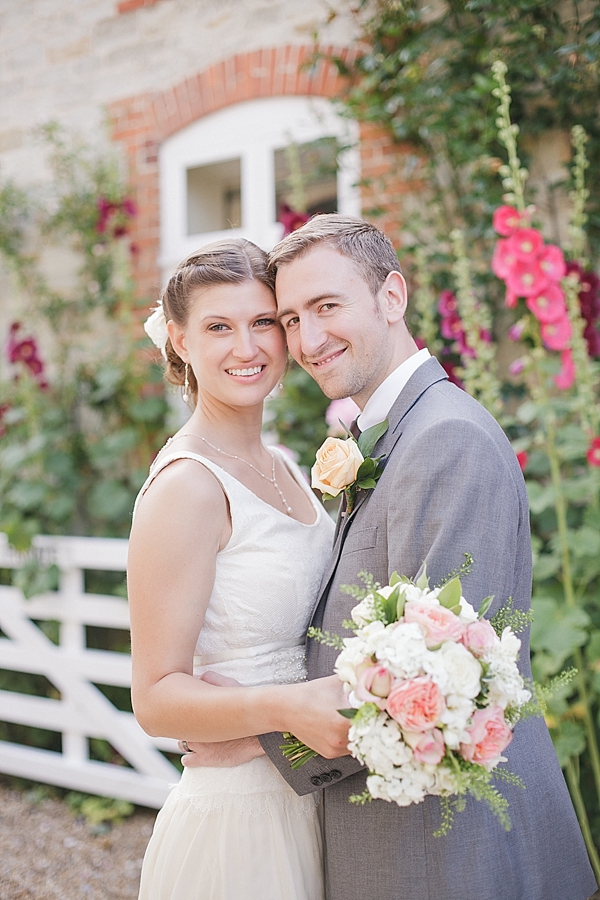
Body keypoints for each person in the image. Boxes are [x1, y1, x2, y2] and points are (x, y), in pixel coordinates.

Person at [184, 215, 597, 900]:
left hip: (454, 857)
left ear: (393, 296)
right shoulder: (389, 434)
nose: (308, 341)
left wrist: (259, 740)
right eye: (290, 318)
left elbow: (438, 688)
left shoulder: (446, 440)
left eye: (327, 307)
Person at [127, 238, 337, 900]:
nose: (246, 348)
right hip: (239, 824)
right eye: (219, 327)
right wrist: (282, 712)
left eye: (263, 323)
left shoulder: (284, 463)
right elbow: (156, 699)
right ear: (181, 341)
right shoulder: (187, 487)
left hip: (309, 794)